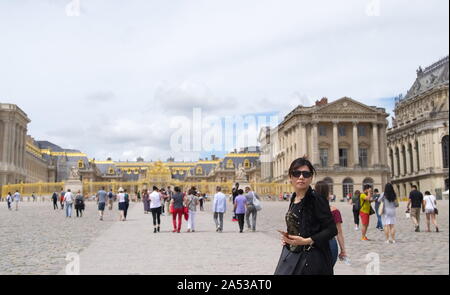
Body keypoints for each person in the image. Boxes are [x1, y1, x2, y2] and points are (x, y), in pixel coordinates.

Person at [274, 157, 337, 275]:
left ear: (311, 177)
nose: (301, 177)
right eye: (296, 173)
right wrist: (288, 239)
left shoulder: (317, 199)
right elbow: (298, 226)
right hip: (293, 254)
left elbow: (332, 230)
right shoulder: (294, 198)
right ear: (290, 177)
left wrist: (307, 241)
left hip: (313, 258)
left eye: (306, 174)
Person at [314, 181, 347, 268]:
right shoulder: (334, 211)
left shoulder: (309, 210)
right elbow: (339, 232)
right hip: (330, 243)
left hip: (313, 243)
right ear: (328, 193)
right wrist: (343, 250)